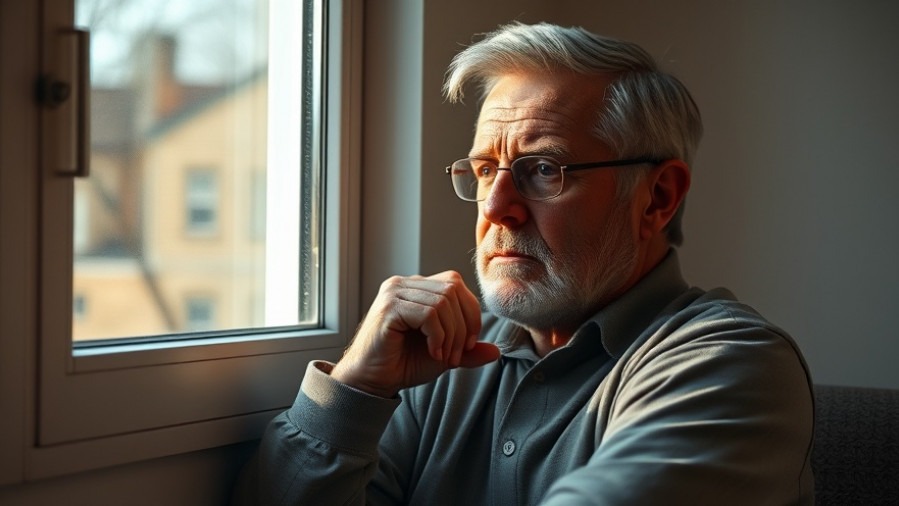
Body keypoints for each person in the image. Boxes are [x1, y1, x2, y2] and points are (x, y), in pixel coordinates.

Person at [233, 22, 814, 505]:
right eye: (486, 170)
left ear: (656, 198)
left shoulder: (732, 366)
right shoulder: (440, 360)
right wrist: (358, 383)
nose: (496, 209)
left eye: (543, 170)